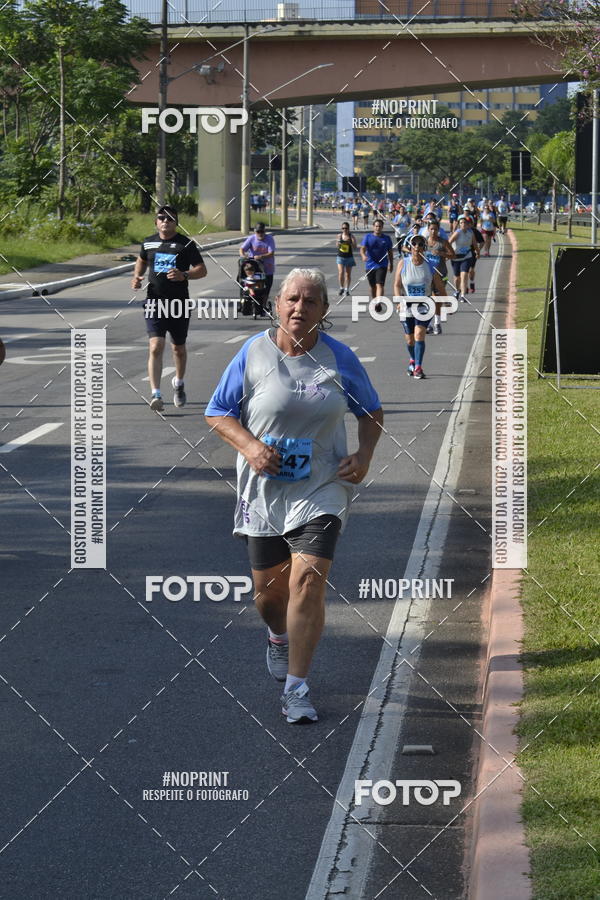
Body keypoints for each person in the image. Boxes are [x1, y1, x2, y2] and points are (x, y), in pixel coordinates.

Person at [205, 268, 383, 724]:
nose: (299, 308)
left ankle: (297, 688)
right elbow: (218, 411)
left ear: (323, 310)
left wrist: (362, 455)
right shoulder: (252, 353)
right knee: (269, 595)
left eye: (310, 301)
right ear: (277, 303)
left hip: (321, 486)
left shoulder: (339, 358)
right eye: (292, 299)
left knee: (308, 580)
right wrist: (250, 447)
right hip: (262, 489)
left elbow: (371, 411)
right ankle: (278, 638)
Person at [131, 205, 207, 412]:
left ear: (176, 222)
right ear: (156, 222)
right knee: (155, 346)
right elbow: (142, 260)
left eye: (170, 218)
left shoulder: (186, 244)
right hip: (154, 301)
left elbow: (202, 270)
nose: (165, 221)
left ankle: (179, 383)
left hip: (178, 303)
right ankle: (156, 393)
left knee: (178, 349)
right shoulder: (148, 242)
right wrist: (137, 277)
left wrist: (185, 275)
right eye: (161, 218)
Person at [393, 234, 447, 380]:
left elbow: (439, 286)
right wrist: (398, 301)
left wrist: (445, 300)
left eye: (420, 244)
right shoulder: (403, 264)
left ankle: (418, 367)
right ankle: (412, 359)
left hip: (424, 305)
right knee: (409, 340)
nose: (417, 247)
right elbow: (397, 285)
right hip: (407, 305)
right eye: (414, 244)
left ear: (424, 248)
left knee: (419, 335)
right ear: (410, 248)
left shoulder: (430, 265)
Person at [424, 220, 455, 334]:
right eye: (431, 229)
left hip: (441, 273)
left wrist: (443, 254)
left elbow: (453, 255)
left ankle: (437, 323)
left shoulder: (443, 242)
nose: (433, 231)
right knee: (428, 299)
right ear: (428, 230)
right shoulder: (424, 243)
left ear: (438, 230)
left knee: (436, 298)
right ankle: (428, 323)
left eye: (435, 229)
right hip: (427, 275)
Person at [360, 218, 394, 312]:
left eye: (379, 226)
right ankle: (374, 301)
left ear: (382, 227)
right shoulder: (368, 237)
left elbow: (390, 252)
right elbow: (362, 248)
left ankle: (378, 303)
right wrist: (363, 256)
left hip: (382, 265)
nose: (377, 228)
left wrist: (391, 264)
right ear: (373, 227)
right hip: (370, 265)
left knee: (380, 284)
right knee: (372, 286)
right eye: (376, 226)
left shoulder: (386, 238)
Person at [240, 222, 276, 302]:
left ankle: (263, 304)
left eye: (262, 232)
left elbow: (271, 253)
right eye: (258, 232)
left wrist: (261, 256)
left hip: (267, 268)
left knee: (266, 288)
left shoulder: (269, 239)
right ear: (255, 231)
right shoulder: (251, 238)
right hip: (253, 267)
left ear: (264, 231)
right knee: (243, 281)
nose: (260, 234)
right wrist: (243, 255)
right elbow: (242, 249)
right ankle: (243, 299)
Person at [449, 214, 479, 301]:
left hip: (466, 256)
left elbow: (474, 244)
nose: (463, 224)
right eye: (461, 223)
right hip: (455, 257)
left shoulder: (470, 233)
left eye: (465, 223)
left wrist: (478, 252)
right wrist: (449, 253)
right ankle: (457, 290)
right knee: (457, 278)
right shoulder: (457, 233)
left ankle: (463, 295)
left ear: (468, 224)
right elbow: (448, 242)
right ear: (459, 224)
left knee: (464, 274)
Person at [336, 221, 357, 297]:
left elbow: (355, 247)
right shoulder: (339, 235)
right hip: (340, 256)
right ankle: (341, 288)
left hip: (349, 257)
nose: (344, 229)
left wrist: (351, 242)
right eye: (343, 228)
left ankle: (347, 289)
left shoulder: (351, 236)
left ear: (348, 229)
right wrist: (339, 242)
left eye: (346, 228)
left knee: (348, 274)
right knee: (341, 272)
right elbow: (337, 246)